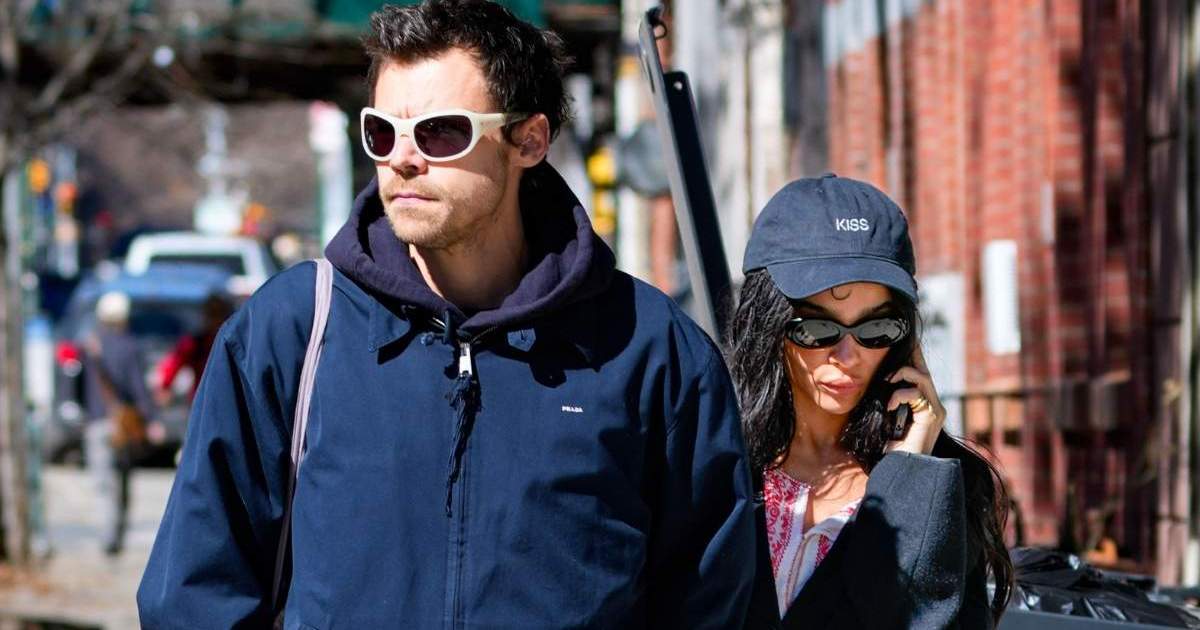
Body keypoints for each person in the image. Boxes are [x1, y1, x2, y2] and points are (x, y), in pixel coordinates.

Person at [137, 1, 754, 627]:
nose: (403, 158)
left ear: (528, 140)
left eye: (440, 132)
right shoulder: (293, 332)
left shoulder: (649, 348)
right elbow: (193, 596)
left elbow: (712, 602)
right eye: (383, 133)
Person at [729, 175, 1013, 628]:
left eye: (876, 329)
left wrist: (907, 473)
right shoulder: (717, 466)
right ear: (767, 326)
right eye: (817, 329)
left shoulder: (938, 483)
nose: (848, 357)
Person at [83, 290, 155, 556]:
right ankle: (117, 534)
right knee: (122, 480)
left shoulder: (91, 346)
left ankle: (108, 537)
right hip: (123, 424)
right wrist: (151, 418)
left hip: (96, 421)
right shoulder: (130, 346)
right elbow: (138, 387)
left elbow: (75, 383)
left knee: (103, 484)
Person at [155, 292, 234, 403]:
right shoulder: (196, 343)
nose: (215, 319)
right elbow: (174, 362)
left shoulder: (234, 342)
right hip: (203, 401)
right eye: (212, 314)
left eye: (218, 313)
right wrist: (165, 386)